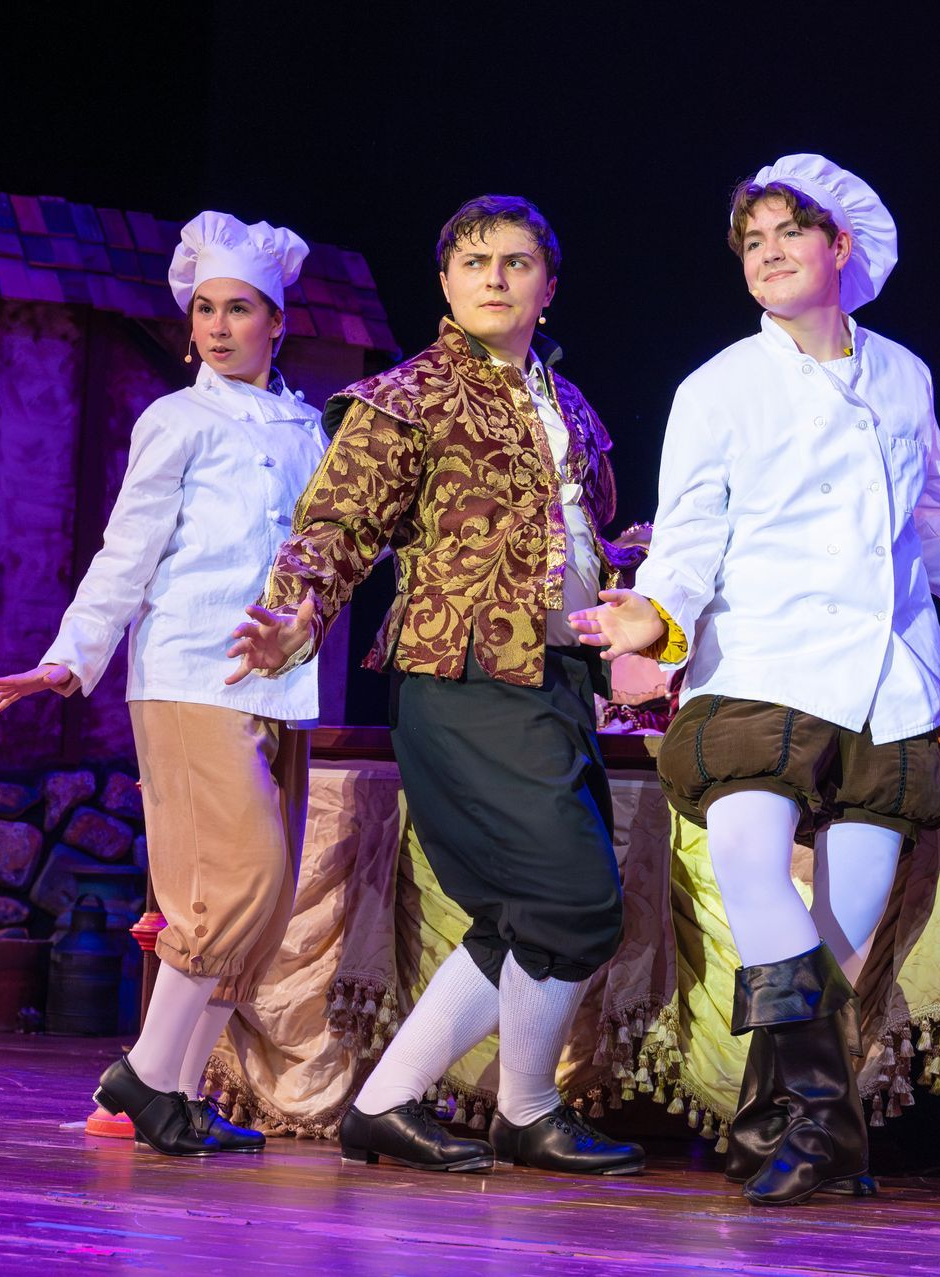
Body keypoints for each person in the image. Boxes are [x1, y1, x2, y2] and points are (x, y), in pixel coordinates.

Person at [568, 154, 940, 1206]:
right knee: (757, 874)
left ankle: (778, 1126)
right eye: (751, 241)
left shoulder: (904, 374)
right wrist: (655, 614)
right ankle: (825, 1127)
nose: (764, 253)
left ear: (839, 247)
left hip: (886, 679)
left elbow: (938, 527)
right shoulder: (718, 384)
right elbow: (693, 534)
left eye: (785, 235)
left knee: (843, 942)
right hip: (760, 660)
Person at [226, 195, 644, 1177]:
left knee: (528, 913)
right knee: (576, 900)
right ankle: (525, 1107)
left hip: (555, 677)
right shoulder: (406, 395)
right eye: (472, 262)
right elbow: (334, 526)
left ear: (548, 283)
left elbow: (582, 540)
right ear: (447, 285)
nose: (493, 277)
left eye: (514, 261)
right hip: (460, 675)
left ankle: (386, 1103)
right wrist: (296, 613)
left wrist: (640, 568)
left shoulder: (569, 404)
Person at [0, 212, 327, 1157]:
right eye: (205, 308)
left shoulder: (308, 426)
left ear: (276, 322)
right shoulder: (175, 418)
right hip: (186, 671)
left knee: (263, 903)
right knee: (233, 881)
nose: (217, 326)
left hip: (276, 683)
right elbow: (126, 550)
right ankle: (143, 1077)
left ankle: (164, 1095)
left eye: (239, 309)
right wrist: (71, 653)